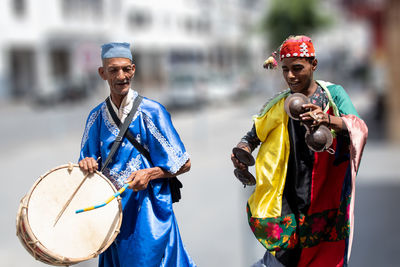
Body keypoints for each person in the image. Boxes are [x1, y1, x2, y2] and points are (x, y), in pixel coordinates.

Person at [231, 35, 368, 267]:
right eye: (285, 70)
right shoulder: (279, 104)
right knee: (284, 256)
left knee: (327, 256)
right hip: (289, 195)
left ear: (313, 65)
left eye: (297, 68)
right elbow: (253, 134)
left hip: (327, 194)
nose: (290, 76)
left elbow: (358, 127)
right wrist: (242, 152)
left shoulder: (332, 94)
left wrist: (328, 119)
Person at [78, 42, 196, 267]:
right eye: (113, 70)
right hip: (113, 219)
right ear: (102, 73)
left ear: (133, 69)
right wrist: (86, 163)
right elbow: (85, 163)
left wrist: (150, 174)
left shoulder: (152, 112)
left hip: (148, 216)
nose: (121, 76)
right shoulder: (95, 118)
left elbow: (185, 163)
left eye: (126, 69)